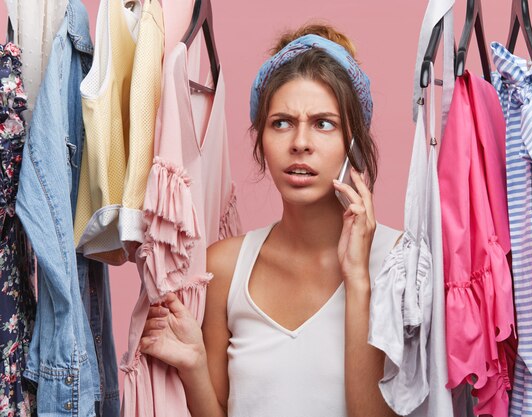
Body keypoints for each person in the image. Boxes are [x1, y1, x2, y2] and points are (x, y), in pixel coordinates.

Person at [139, 23, 402, 417]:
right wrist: (194, 364)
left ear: (354, 142)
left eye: (323, 123)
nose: (300, 142)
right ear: (260, 138)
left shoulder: (400, 263)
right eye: (281, 122)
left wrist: (359, 281)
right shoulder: (225, 268)